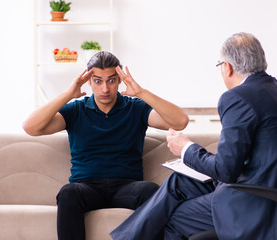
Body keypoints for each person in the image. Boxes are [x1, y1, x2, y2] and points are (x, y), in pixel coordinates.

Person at [110, 32, 277, 240]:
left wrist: (186, 148)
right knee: (179, 181)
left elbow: (225, 170)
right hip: (275, 193)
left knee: (174, 217)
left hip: (257, 203)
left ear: (227, 67)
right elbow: (246, 157)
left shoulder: (237, 98)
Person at [22, 51, 189, 240]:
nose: (105, 89)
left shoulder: (135, 108)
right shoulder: (76, 110)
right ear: (89, 82)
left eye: (111, 80)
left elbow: (180, 121)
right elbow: (31, 127)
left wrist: (141, 92)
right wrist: (68, 93)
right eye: (98, 81)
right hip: (86, 187)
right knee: (68, 193)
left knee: (150, 190)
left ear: (119, 80)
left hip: (127, 187)